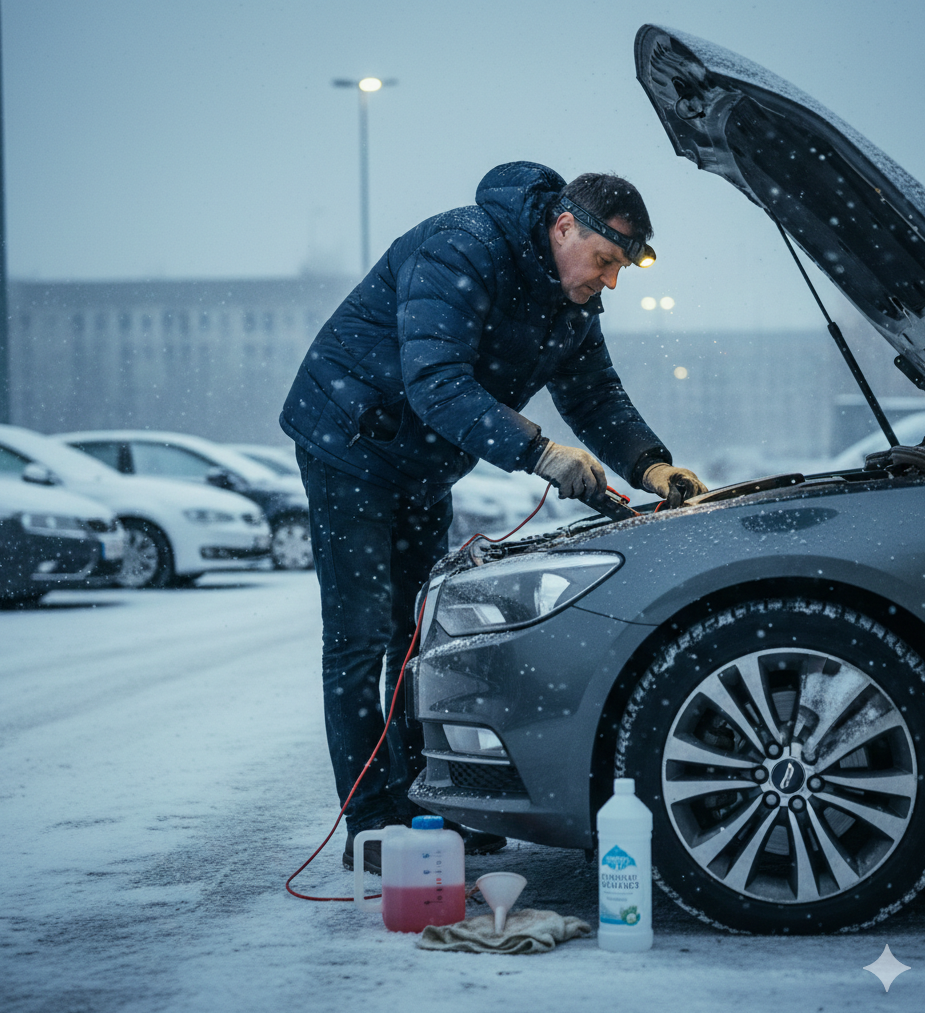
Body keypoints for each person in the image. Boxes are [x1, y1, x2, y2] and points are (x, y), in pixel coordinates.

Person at [280, 162, 706, 871]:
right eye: (604, 261)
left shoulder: (569, 304)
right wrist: (538, 453)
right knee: (361, 636)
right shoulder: (463, 247)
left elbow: (597, 396)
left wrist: (652, 466)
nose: (610, 281)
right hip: (348, 442)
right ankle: (374, 820)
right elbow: (436, 382)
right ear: (563, 226)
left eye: (620, 269)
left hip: (421, 463)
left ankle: (426, 804)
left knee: (417, 639)